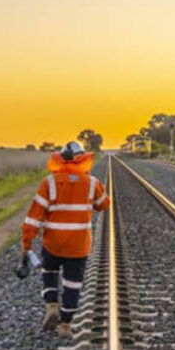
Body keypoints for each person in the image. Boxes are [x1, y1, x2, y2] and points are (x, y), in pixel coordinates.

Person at [21, 141, 109, 338]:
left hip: (53, 242)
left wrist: (27, 242)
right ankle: (65, 325)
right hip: (78, 245)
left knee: (49, 271)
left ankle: (52, 304)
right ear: (82, 159)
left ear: (61, 159)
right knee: (72, 284)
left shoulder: (49, 182)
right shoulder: (92, 182)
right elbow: (104, 204)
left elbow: (34, 216)